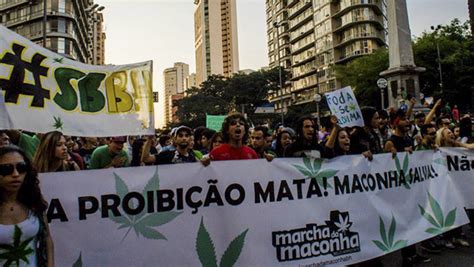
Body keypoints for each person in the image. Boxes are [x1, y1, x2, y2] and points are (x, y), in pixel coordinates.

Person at [0, 145, 54, 266]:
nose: (15, 174)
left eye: (21, 167)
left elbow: (47, 239)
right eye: (6, 169)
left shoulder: (34, 202)